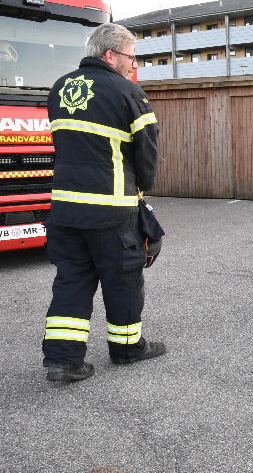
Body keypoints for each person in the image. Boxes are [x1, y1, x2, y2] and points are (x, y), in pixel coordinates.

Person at [42, 23, 164, 382]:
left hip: (65, 206)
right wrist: (142, 189)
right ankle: (127, 348)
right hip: (111, 207)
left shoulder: (60, 87)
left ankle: (63, 362)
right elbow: (148, 150)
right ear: (110, 55)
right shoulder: (127, 91)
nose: (133, 64)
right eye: (131, 56)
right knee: (123, 276)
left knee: (72, 279)